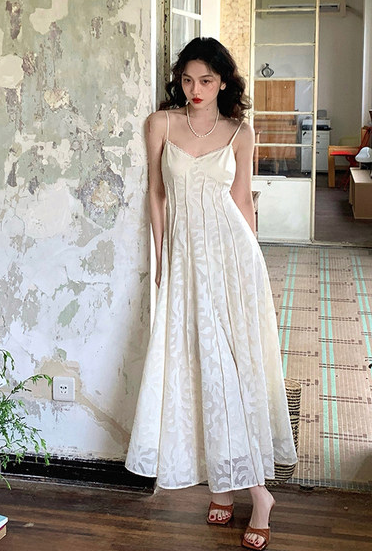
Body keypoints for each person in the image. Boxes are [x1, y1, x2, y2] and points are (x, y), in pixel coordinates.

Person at [125, 37, 298, 550]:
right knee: (196, 366)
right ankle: (222, 485)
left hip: (232, 258)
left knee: (233, 369)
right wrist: (162, 259)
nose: (195, 90)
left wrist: (254, 268)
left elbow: (242, 199)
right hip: (184, 261)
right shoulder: (161, 124)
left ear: (223, 82)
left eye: (205, 80)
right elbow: (157, 194)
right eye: (187, 79)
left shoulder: (240, 132)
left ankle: (259, 495)